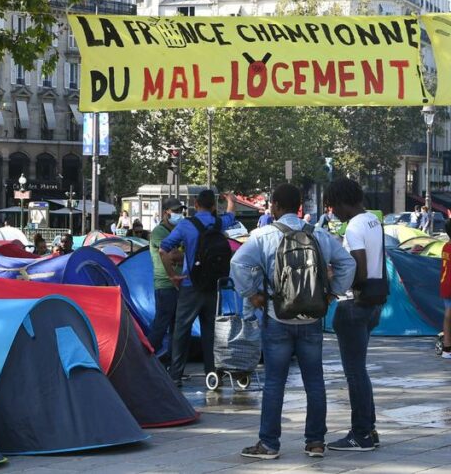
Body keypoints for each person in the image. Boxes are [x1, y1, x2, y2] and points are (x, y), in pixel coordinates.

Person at [231, 183, 355, 460]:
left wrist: (252, 294)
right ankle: (315, 442)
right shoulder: (319, 234)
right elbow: (348, 263)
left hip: (278, 316)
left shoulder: (263, 236)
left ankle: (269, 444)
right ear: (299, 206)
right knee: (315, 381)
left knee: (275, 382)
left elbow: (238, 264)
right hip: (311, 318)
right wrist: (333, 292)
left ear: (274, 205)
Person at [325, 178, 385, 452]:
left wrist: (335, 279)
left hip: (353, 305)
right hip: (373, 302)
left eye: (332, 206)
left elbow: (358, 269)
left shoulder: (355, 226)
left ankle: (360, 434)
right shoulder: (373, 220)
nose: (333, 212)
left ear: (341, 201)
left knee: (354, 373)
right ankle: (369, 429)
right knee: (360, 370)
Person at [160, 189, 238, 385]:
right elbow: (231, 214)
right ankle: (212, 372)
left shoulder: (186, 225)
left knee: (181, 330)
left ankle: (176, 374)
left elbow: (163, 249)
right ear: (213, 207)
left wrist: (172, 275)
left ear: (196, 205)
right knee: (210, 331)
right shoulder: (219, 223)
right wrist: (230, 200)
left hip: (190, 283)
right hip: (213, 285)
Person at [149, 198, 186, 362]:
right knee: (161, 325)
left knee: (176, 327)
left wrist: (178, 256)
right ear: (166, 212)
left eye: (181, 211)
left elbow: (176, 255)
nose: (179, 214)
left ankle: (171, 362)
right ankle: (146, 359)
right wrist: (183, 256)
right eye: (176, 211)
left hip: (178, 283)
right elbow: (170, 255)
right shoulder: (159, 232)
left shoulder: (178, 231)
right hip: (165, 283)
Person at [441, 239, 451, 359]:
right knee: (448, 315)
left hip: (445, 284)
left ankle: (447, 347)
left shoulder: (445, 246)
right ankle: (447, 347)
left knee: (448, 315)